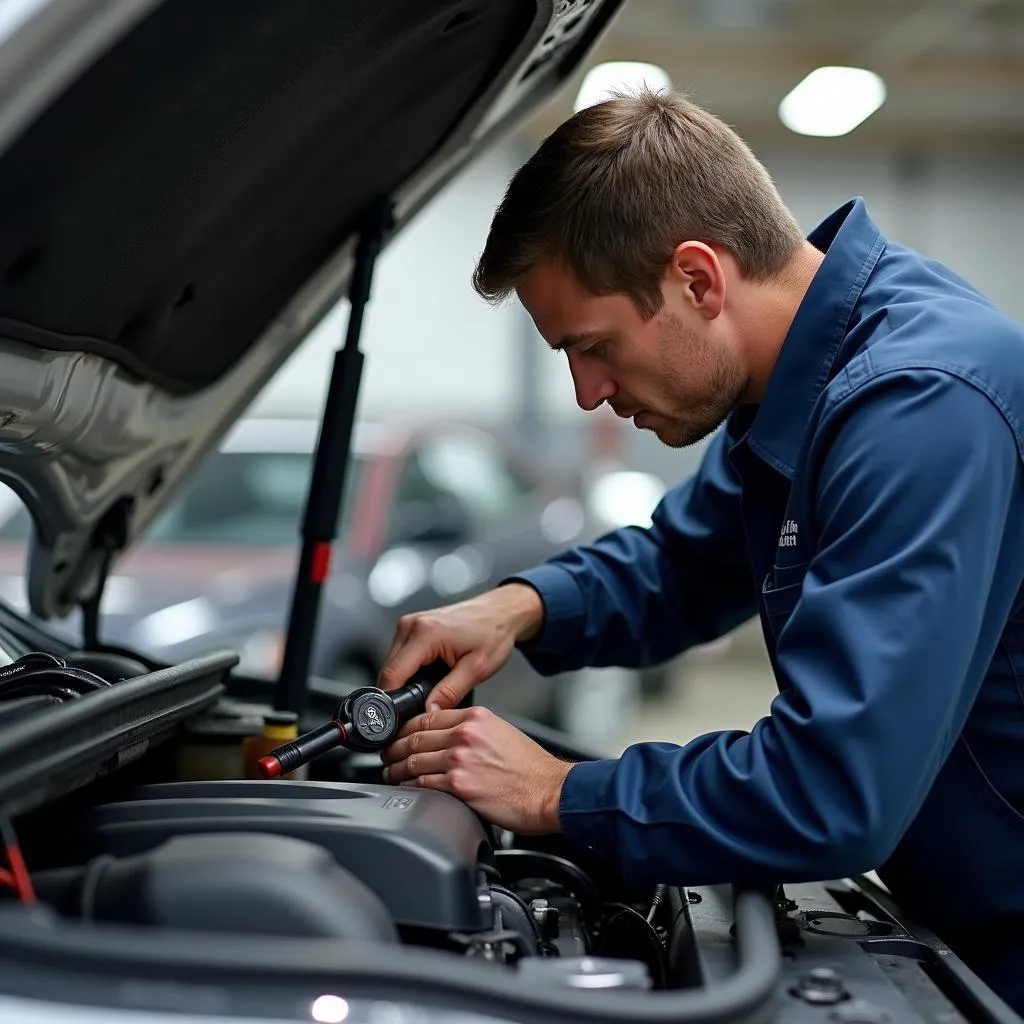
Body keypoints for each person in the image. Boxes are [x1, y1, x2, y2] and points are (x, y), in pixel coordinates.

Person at [379, 89, 1024, 1011]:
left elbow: (832, 789)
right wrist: (520, 605)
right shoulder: (801, 382)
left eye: (593, 346)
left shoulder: (921, 407)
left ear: (697, 279)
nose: (588, 394)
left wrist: (559, 792)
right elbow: (682, 564)